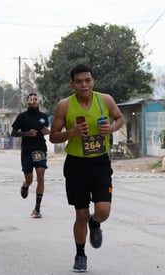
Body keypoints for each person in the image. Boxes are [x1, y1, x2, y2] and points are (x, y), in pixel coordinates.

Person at [49, 64, 124, 272]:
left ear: (93, 81)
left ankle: (95, 223)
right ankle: (80, 254)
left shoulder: (105, 100)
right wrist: (70, 133)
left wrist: (111, 128)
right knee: (80, 214)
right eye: (79, 81)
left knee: (103, 211)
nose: (84, 84)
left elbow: (119, 118)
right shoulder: (64, 106)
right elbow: (53, 135)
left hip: (100, 162)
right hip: (76, 165)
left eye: (88, 80)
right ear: (72, 84)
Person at [11, 92, 50, 218]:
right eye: (31, 99)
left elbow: (48, 131)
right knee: (30, 178)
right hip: (27, 151)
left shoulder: (44, 116)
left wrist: (48, 131)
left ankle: (37, 208)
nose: (34, 101)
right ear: (27, 102)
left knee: (40, 176)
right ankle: (25, 185)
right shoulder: (22, 117)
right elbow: (13, 133)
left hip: (40, 150)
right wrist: (27, 134)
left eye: (36, 99)